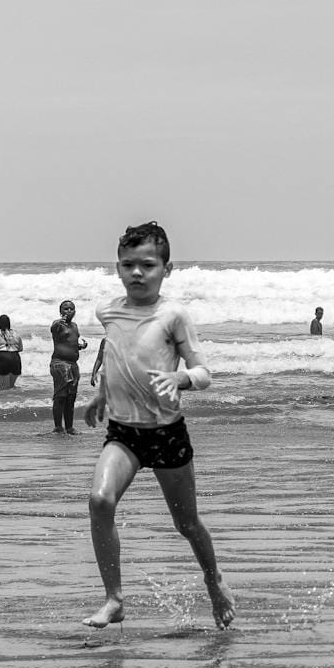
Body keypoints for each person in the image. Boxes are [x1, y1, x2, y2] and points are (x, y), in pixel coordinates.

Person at [80, 220, 233, 631]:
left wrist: (181, 378)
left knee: (186, 523)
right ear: (117, 268)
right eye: (128, 264)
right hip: (123, 433)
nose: (137, 273)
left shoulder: (173, 315)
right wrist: (101, 394)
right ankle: (114, 598)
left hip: (166, 434)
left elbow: (203, 372)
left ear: (166, 268)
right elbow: (117, 351)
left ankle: (213, 581)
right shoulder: (108, 310)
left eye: (147, 264)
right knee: (99, 500)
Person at [49, 300, 88, 433]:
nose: (69, 311)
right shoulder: (58, 324)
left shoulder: (75, 326)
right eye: (65, 309)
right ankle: (58, 427)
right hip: (60, 363)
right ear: (61, 312)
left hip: (73, 365)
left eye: (71, 309)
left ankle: (70, 427)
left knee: (71, 397)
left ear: (75, 311)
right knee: (61, 396)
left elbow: (70, 343)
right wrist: (60, 321)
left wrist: (80, 346)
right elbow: (54, 329)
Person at [0, 315, 24, 389]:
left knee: (4, 388)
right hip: (15, 358)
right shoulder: (16, 333)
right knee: (11, 387)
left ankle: (6, 401)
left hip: (2, 357)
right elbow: (21, 349)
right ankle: (16, 400)